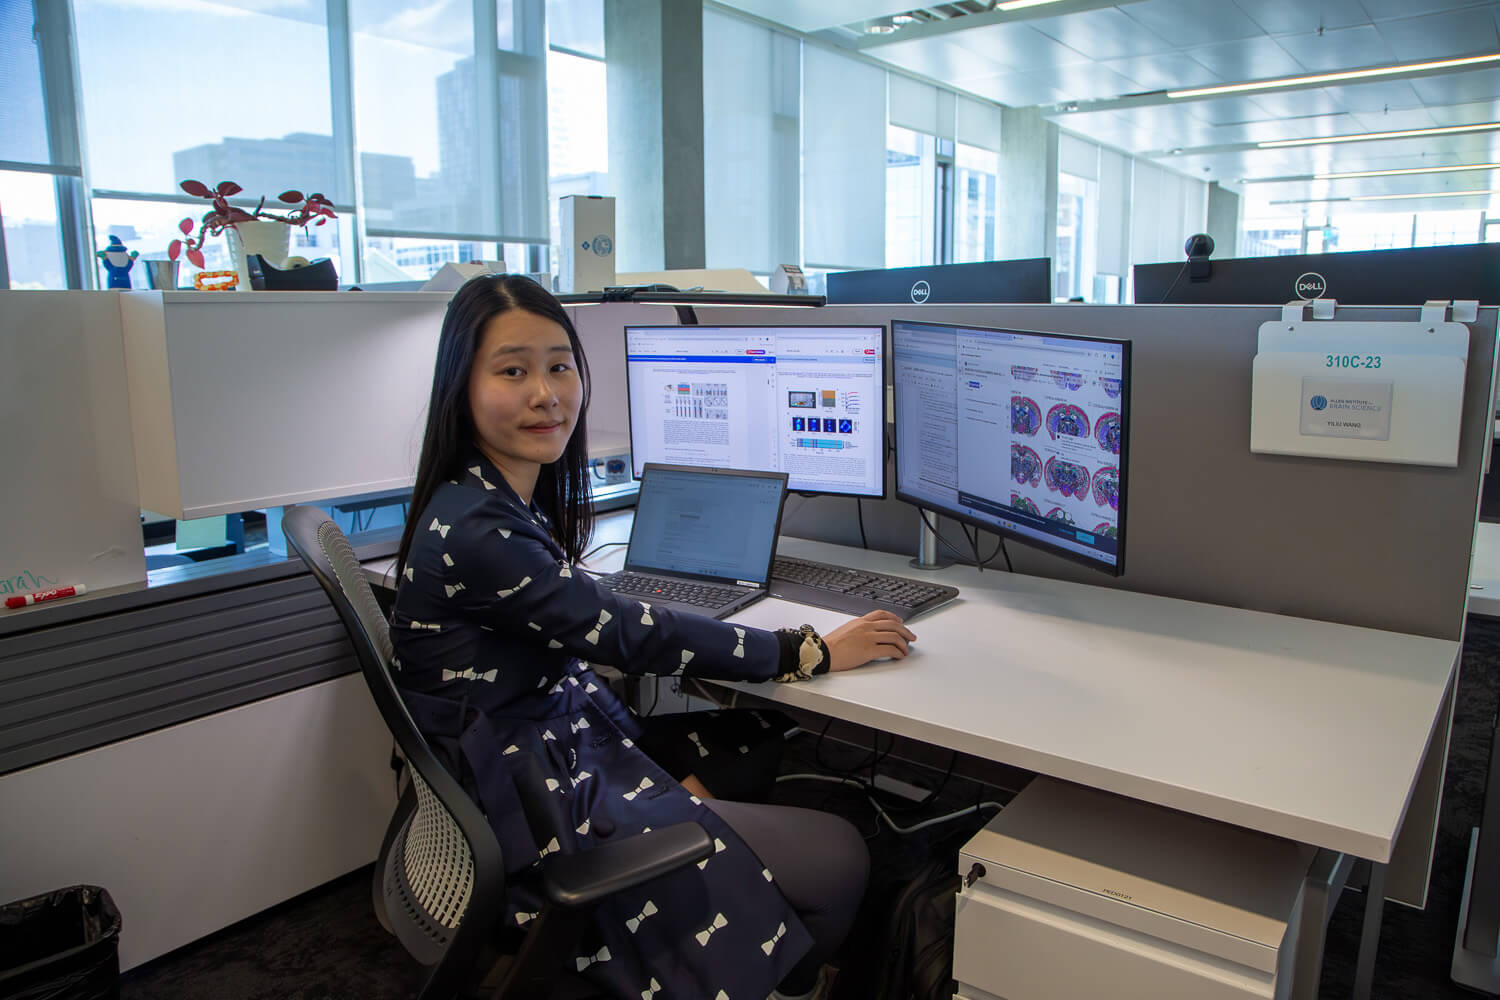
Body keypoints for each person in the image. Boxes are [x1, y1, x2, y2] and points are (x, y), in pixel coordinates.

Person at [390, 274, 916, 1000]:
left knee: (750, 746)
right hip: (531, 801)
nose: (546, 393)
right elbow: (631, 635)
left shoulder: (481, 497)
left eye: (560, 365)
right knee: (840, 855)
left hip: (523, 755)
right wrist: (810, 648)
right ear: (462, 384)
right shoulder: (480, 530)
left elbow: (583, 617)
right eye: (513, 371)